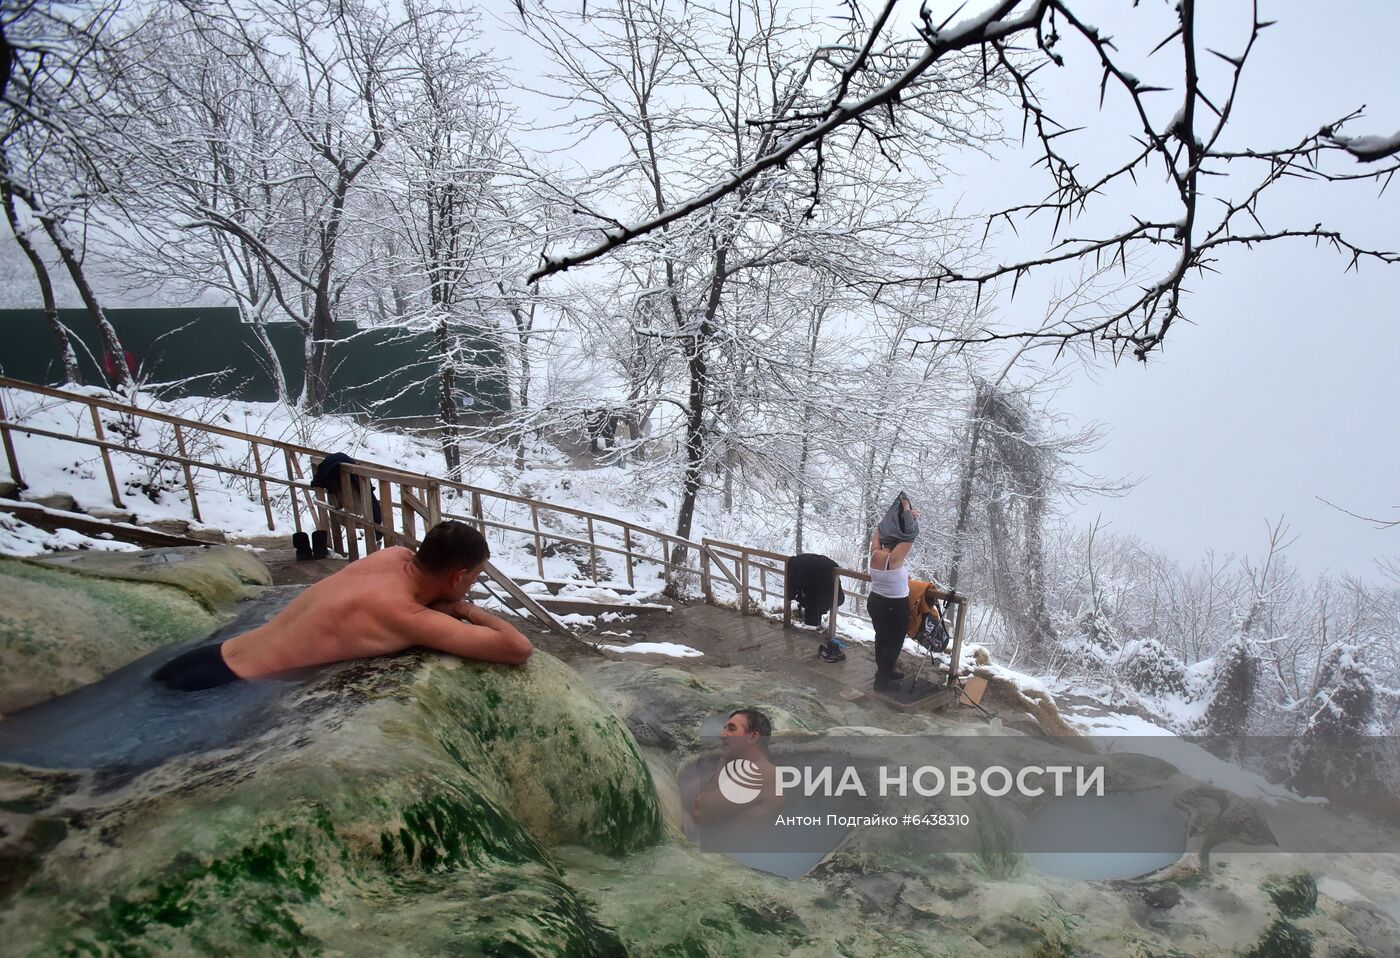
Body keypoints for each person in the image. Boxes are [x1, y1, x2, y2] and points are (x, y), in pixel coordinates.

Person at [153, 520, 532, 691]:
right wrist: (465, 610)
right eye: (474, 577)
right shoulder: (406, 616)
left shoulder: (391, 556)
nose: (471, 586)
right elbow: (517, 649)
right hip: (218, 685)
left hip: (206, 657)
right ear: (456, 577)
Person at [690, 708, 782, 825]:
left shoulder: (762, 772)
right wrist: (686, 813)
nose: (723, 735)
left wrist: (723, 760)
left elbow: (700, 813)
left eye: (732, 729)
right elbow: (689, 792)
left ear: (753, 737)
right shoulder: (740, 770)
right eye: (724, 729)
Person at [868, 493, 919, 691]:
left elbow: (879, 530)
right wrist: (906, 508)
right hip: (894, 605)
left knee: (881, 637)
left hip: (875, 602)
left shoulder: (874, 553)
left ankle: (884, 671)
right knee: (894, 642)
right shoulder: (895, 559)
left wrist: (897, 518)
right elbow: (910, 536)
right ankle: (881, 682)